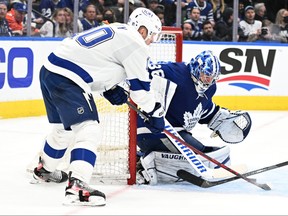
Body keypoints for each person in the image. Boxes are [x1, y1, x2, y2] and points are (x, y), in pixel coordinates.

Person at [32, 7, 163, 206]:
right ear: (143, 30)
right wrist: (155, 111)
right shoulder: (136, 44)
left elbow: (94, 59)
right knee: (90, 128)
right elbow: (141, 93)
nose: (152, 41)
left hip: (50, 71)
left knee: (63, 129)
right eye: (153, 35)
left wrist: (108, 88)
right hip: (68, 78)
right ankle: (77, 188)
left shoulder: (119, 30)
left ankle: (45, 170)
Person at [136, 50, 252, 185]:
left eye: (213, 77)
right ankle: (146, 164)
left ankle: (142, 157)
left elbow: (202, 110)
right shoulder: (175, 72)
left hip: (176, 133)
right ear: (197, 69)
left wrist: (218, 117)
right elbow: (144, 71)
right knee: (198, 155)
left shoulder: (210, 88)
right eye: (206, 75)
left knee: (206, 153)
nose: (208, 80)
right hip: (152, 129)